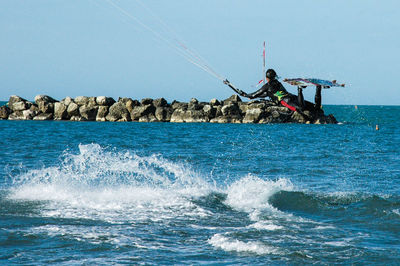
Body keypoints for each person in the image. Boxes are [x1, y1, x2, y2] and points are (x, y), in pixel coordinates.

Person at [224, 69, 305, 113]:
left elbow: (249, 95)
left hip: (285, 101)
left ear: (267, 78)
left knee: (301, 109)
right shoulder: (278, 83)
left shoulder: (267, 86)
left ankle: (300, 89)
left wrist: (229, 84)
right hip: (292, 97)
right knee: (311, 107)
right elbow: (268, 94)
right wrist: (255, 97)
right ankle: (317, 89)